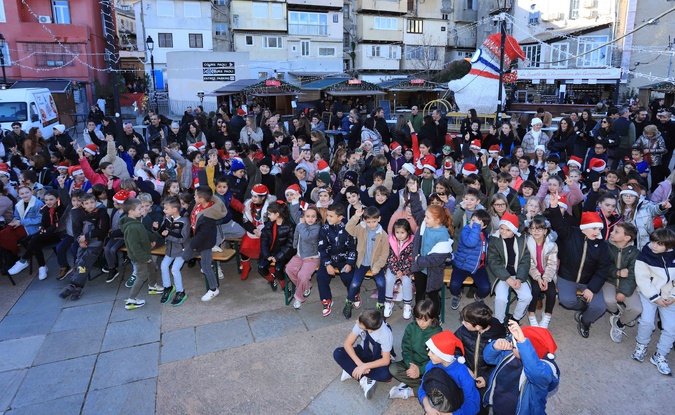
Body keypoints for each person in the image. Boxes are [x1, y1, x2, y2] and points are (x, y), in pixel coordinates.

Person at [548, 195, 611, 338]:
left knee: (599, 307)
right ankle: (583, 306)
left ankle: (584, 320)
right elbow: (558, 223)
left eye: (599, 229)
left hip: (589, 281)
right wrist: (553, 207)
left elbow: (603, 269)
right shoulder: (571, 233)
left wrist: (592, 288)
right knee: (567, 300)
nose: (597, 232)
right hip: (567, 277)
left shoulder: (601, 245)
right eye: (594, 228)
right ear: (585, 227)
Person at [483, 321, 560, 415]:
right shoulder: (509, 353)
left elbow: (536, 372)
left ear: (525, 350)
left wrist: (523, 342)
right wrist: (494, 347)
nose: (510, 345)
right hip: (498, 404)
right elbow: (488, 359)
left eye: (514, 345)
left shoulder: (544, 370)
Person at [632, 228, 675, 375]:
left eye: (659, 243)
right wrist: (656, 298)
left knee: (671, 327)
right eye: (653, 242)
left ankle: (660, 355)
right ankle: (641, 345)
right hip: (649, 295)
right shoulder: (645, 256)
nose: (654, 246)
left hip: (669, 297)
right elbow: (642, 280)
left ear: (669, 245)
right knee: (647, 322)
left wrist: (673, 296)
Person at [454, 302, 506, 415]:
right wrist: (462, 364)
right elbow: (454, 347)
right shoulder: (463, 330)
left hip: (484, 381)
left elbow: (501, 363)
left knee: (481, 407)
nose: (462, 323)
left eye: (466, 322)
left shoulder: (498, 338)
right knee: (461, 401)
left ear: (477, 327)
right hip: (466, 375)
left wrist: (486, 378)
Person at [388, 299, 443, 399]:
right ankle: (422, 386)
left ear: (433, 318)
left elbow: (437, 360)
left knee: (440, 384)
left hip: (429, 368)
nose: (421, 323)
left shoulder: (438, 333)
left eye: (425, 320)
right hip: (412, 363)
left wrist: (420, 370)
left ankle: (414, 387)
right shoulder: (411, 328)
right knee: (393, 368)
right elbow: (406, 349)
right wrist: (411, 365)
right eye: (418, 319)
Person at [58, 193, 110, 300]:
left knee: (84, 263)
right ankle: (79, 288)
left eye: (92, 202)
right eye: (87, 203)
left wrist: (86, 236)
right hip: (84, 242)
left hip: (96, 243)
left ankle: (72, 285)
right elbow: (77, 230)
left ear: (96, 202)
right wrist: (80, 240)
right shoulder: (82, 213)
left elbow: (102, 230)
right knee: (79, 262)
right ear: (83, 205)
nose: (90, 205)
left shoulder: (101, 213)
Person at [334, 309, 393, 399]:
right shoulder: (362, 321)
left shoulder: (385, 334)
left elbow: (385, 360)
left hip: (377, 358)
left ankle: (351, 369)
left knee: (387, 373)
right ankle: (363, 379)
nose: (356, 321)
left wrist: (364, 367)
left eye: (360, 323)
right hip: (363, 352)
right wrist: (360, 364)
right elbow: (347, 344)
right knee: (338, 353)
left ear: (369, 330)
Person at [181, 184, 227, 301]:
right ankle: (207, 253)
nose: (194, 197)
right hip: (198, 240)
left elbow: (203, 234)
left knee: (205, 266)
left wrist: (192, 245)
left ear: (202, 199)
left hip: (204, 243)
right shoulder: (200, 204)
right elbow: (204, 183)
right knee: (186, 256)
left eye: (195, 196)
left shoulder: (209, 215)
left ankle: (213, 289)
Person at [7, 190, 65, 280]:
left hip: (59, 234)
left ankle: (24, 260)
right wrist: (42, 230)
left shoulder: (61, 208)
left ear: (57, 199)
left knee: (35, 239)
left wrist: (44, 232)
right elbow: (43, 223)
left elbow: (58, 225)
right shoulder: (45, 208)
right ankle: (42, 267)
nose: (48, 202)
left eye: (51, 199)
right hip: (47, 234)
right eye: (46, 200)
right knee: (35, 241)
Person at [418, 330, 481, 415]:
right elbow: (422, 387)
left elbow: (473, 405)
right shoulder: (431, 364)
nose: (428, 354)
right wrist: (428, 407)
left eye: (433, 352)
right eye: (429, 350)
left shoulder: (461, 372)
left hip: (457, 409)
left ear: (443, 356)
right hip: (439, 402)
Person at [486, 212, 532, 323]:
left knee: (526, 297)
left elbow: (525, 261)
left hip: (517, 274)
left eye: (508, 230)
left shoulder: (522, 240)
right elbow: (493, 262)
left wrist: (520, 278)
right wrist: (507, 278)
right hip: (501, 275)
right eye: (502, 228)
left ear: (514, 231)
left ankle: (514, 319)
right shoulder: (494, 239)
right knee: (501, 298)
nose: (503, 232)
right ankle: (499, 322)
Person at [343, 206, 388, 318]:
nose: (371, 224)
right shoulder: (361, 228)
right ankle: (349, 302)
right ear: (364, 220)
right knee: (354, 284)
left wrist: (377, 267)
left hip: (376, 264)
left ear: (379, 219)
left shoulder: (383, 235)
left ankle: (381, 305)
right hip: (362, 263)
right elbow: (348, 228)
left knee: (381, 283)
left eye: (374, 221)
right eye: (368, 222)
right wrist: (356, 216)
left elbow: (384, 254)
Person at [603, 222, 641, 343]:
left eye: (616, 232)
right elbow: (601, 267)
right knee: (609, 300)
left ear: (627, 238)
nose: (612, 233)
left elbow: (633, 275)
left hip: (627, 284)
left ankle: (619, 322)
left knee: (636, 309)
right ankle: (617, 312)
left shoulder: (635, 253)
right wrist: (617, 272)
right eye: (613, 230)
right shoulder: (606, 246)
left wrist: (624, 292)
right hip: (609, 280)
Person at [118, 197, 159, 310]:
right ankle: (131, 300)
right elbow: (134, 246)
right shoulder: (132, 227)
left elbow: (145, 233)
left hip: (145, 254)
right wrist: (144, 258)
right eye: (140, 208)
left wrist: (156, 234)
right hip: (140, 257)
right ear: (131, 212)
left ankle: (152, 287)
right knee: (141, 276)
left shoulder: (136, 222)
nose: (142, 210)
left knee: (152, 268)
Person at [317, 203, 357, 317]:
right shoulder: (324, 228)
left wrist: (350, 263)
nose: (328, 218)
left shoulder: (348, 228)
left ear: (340, 217)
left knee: (348, 277)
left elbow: (353, 248)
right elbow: (321, 248)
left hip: (344, 259)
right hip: (329, 258)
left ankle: (354, 294)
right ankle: (326, 300)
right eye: (327, 215)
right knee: (321, 276)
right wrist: (327, 264)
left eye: (331, 216)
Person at [450, 209, 492, 309]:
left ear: (484, 226)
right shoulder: (466, 230)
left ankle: (478, 296)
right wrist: (476, 227)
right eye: (473, 220)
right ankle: (457, 295)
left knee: (485, 288)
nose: (474, 224)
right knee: (454, 286)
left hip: (478, 267)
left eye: (478, 223)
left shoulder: (485, 234)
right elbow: (471, 243)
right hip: (461, 265)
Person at [0, 186, 44, 275]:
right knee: (3, 234)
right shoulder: (18, 204)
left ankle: (14, 257)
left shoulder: (38, 203)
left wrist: (20, 222)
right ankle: (10, 258)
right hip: (20, 225)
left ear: (31, 192)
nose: (25, 195)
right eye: (22, 194)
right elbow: (16, 216)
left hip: (32, 228)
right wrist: (15, 221)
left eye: (27, 192)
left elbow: (39, 220)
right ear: (19, 195)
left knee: (5, 235)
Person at [156, 196, 191, 307]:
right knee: (164, 266)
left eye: (166, 208)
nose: (163, 210)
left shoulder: (184, 221)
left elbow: (182, 238)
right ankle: (168, 287)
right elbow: (162, 231)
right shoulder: (167, 218)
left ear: (174, 209)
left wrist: (168, 235)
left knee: (175, 269)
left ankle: (180, 292)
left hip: (181, 250)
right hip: (170, 250)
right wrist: (157, 229)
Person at [525, 216, 558, 329]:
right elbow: (529, 264)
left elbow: (552, 265)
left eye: (539, 229)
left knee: (552, 293)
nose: (536, 231)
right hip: (532, 274)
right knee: (534, 290)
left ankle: (547, 315)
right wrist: (538, 278)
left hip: (547, 274)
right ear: (529, 230)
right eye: (533, 229)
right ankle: (531, 314)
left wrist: (546, 279)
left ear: (545, 231)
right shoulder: (527, 244)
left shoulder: (552, 245)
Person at [286, 206, 322, 309]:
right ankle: (306, 286)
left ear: (317, 218)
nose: (310, 219)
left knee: (303, 276)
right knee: (289, 270)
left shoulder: (316, 227)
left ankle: (298, 297)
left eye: (313, 216)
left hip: (311, 258)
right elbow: (296, 235)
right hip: (299, 255)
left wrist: (301, 224)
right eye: (308, 216)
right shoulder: (301, 224)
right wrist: (294, 245)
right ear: (304, 216)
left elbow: (307, 237)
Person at [258, 201, 296, 291]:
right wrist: (267, 255)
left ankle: (284, 285)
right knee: (261, 267)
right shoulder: (269, 225)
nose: (268, 216)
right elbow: (264, 241)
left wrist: (278, 257)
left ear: (277, 214)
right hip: (271, 252)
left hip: (284, 253)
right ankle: (271, 278)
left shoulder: (290, 226)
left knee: (278, 269)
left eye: (270, 214)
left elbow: (290, 245)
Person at [383, 218, 415, 319]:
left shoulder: (412, 241)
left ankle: (407, 304)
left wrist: (403, 271)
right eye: (397, 232)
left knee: (406, 281)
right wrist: (396, 270)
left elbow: (411, 258)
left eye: (402, 232)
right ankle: (388, 302)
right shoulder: (391, 240)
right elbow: (390, 257)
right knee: (388, 278)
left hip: (407, 269)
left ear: (408, 232)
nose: (399, 235)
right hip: (394, 267)